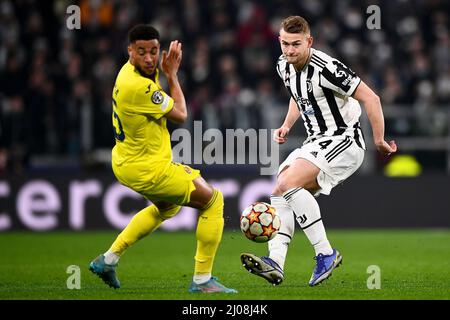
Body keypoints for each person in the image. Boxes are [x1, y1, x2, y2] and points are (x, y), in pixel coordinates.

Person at [240, 16, 397, 287]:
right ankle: (275, 261)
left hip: (345, 140)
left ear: (309, 42)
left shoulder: (328, 68)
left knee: (288, 182)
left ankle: (325, 253)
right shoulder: (284, 66)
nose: (290, 50)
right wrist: (287, 125)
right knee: (279, 190)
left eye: (296, 45)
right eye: (285, 44)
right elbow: (297, 95)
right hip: (317, 141)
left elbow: (371, 98)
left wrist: (379, 140)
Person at [89, 24, 236, 294]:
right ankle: (203, 280)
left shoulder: (127, 71)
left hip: (126, 162)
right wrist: (172, 74)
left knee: (168, 208)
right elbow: (181, 114)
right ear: (130, 51)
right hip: (149, 169)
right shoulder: (138, 86)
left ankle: (108, 260)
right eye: (141, 52)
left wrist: (163, 71)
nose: (149, 58)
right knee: (213, 201)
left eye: (154, 51)